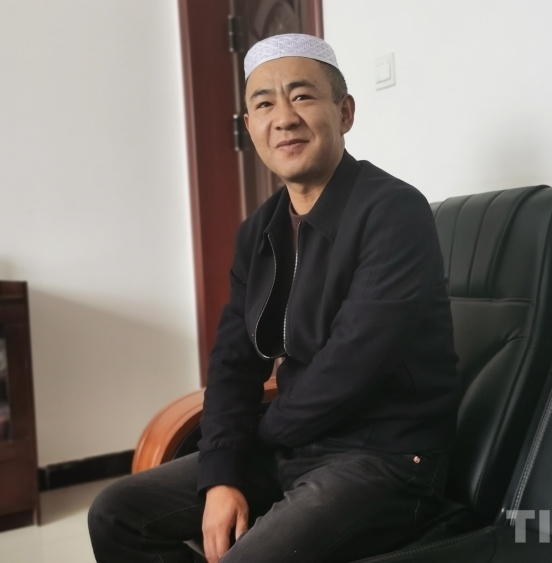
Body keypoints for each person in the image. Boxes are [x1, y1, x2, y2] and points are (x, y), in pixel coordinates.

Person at [88, 33, 459, 563]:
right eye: (264, 104)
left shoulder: (394, 212)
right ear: (250, 128)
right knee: (116, 512)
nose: (284, 118)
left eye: (303, 96)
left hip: (385, 455)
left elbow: (354, 364)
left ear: (345, 112)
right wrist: (222, 473)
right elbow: (233, 361)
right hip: (294, 442)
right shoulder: (258, 231)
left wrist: (256, 441)